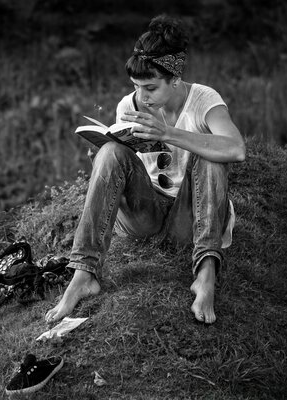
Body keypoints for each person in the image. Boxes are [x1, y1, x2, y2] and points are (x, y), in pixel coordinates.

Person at [45, 15, 246, 325]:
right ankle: (84, 274)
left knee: (211, 155)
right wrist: (105, 157)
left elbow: (236, 149)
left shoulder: (204, 100)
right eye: (136, 86)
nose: (142, 95)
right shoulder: (130, 105)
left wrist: (168, 134)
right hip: (145, 215)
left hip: (190, 219)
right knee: (110, 152)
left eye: (150, 87)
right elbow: (130, 164)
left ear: (175, 79)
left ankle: (205, 275)